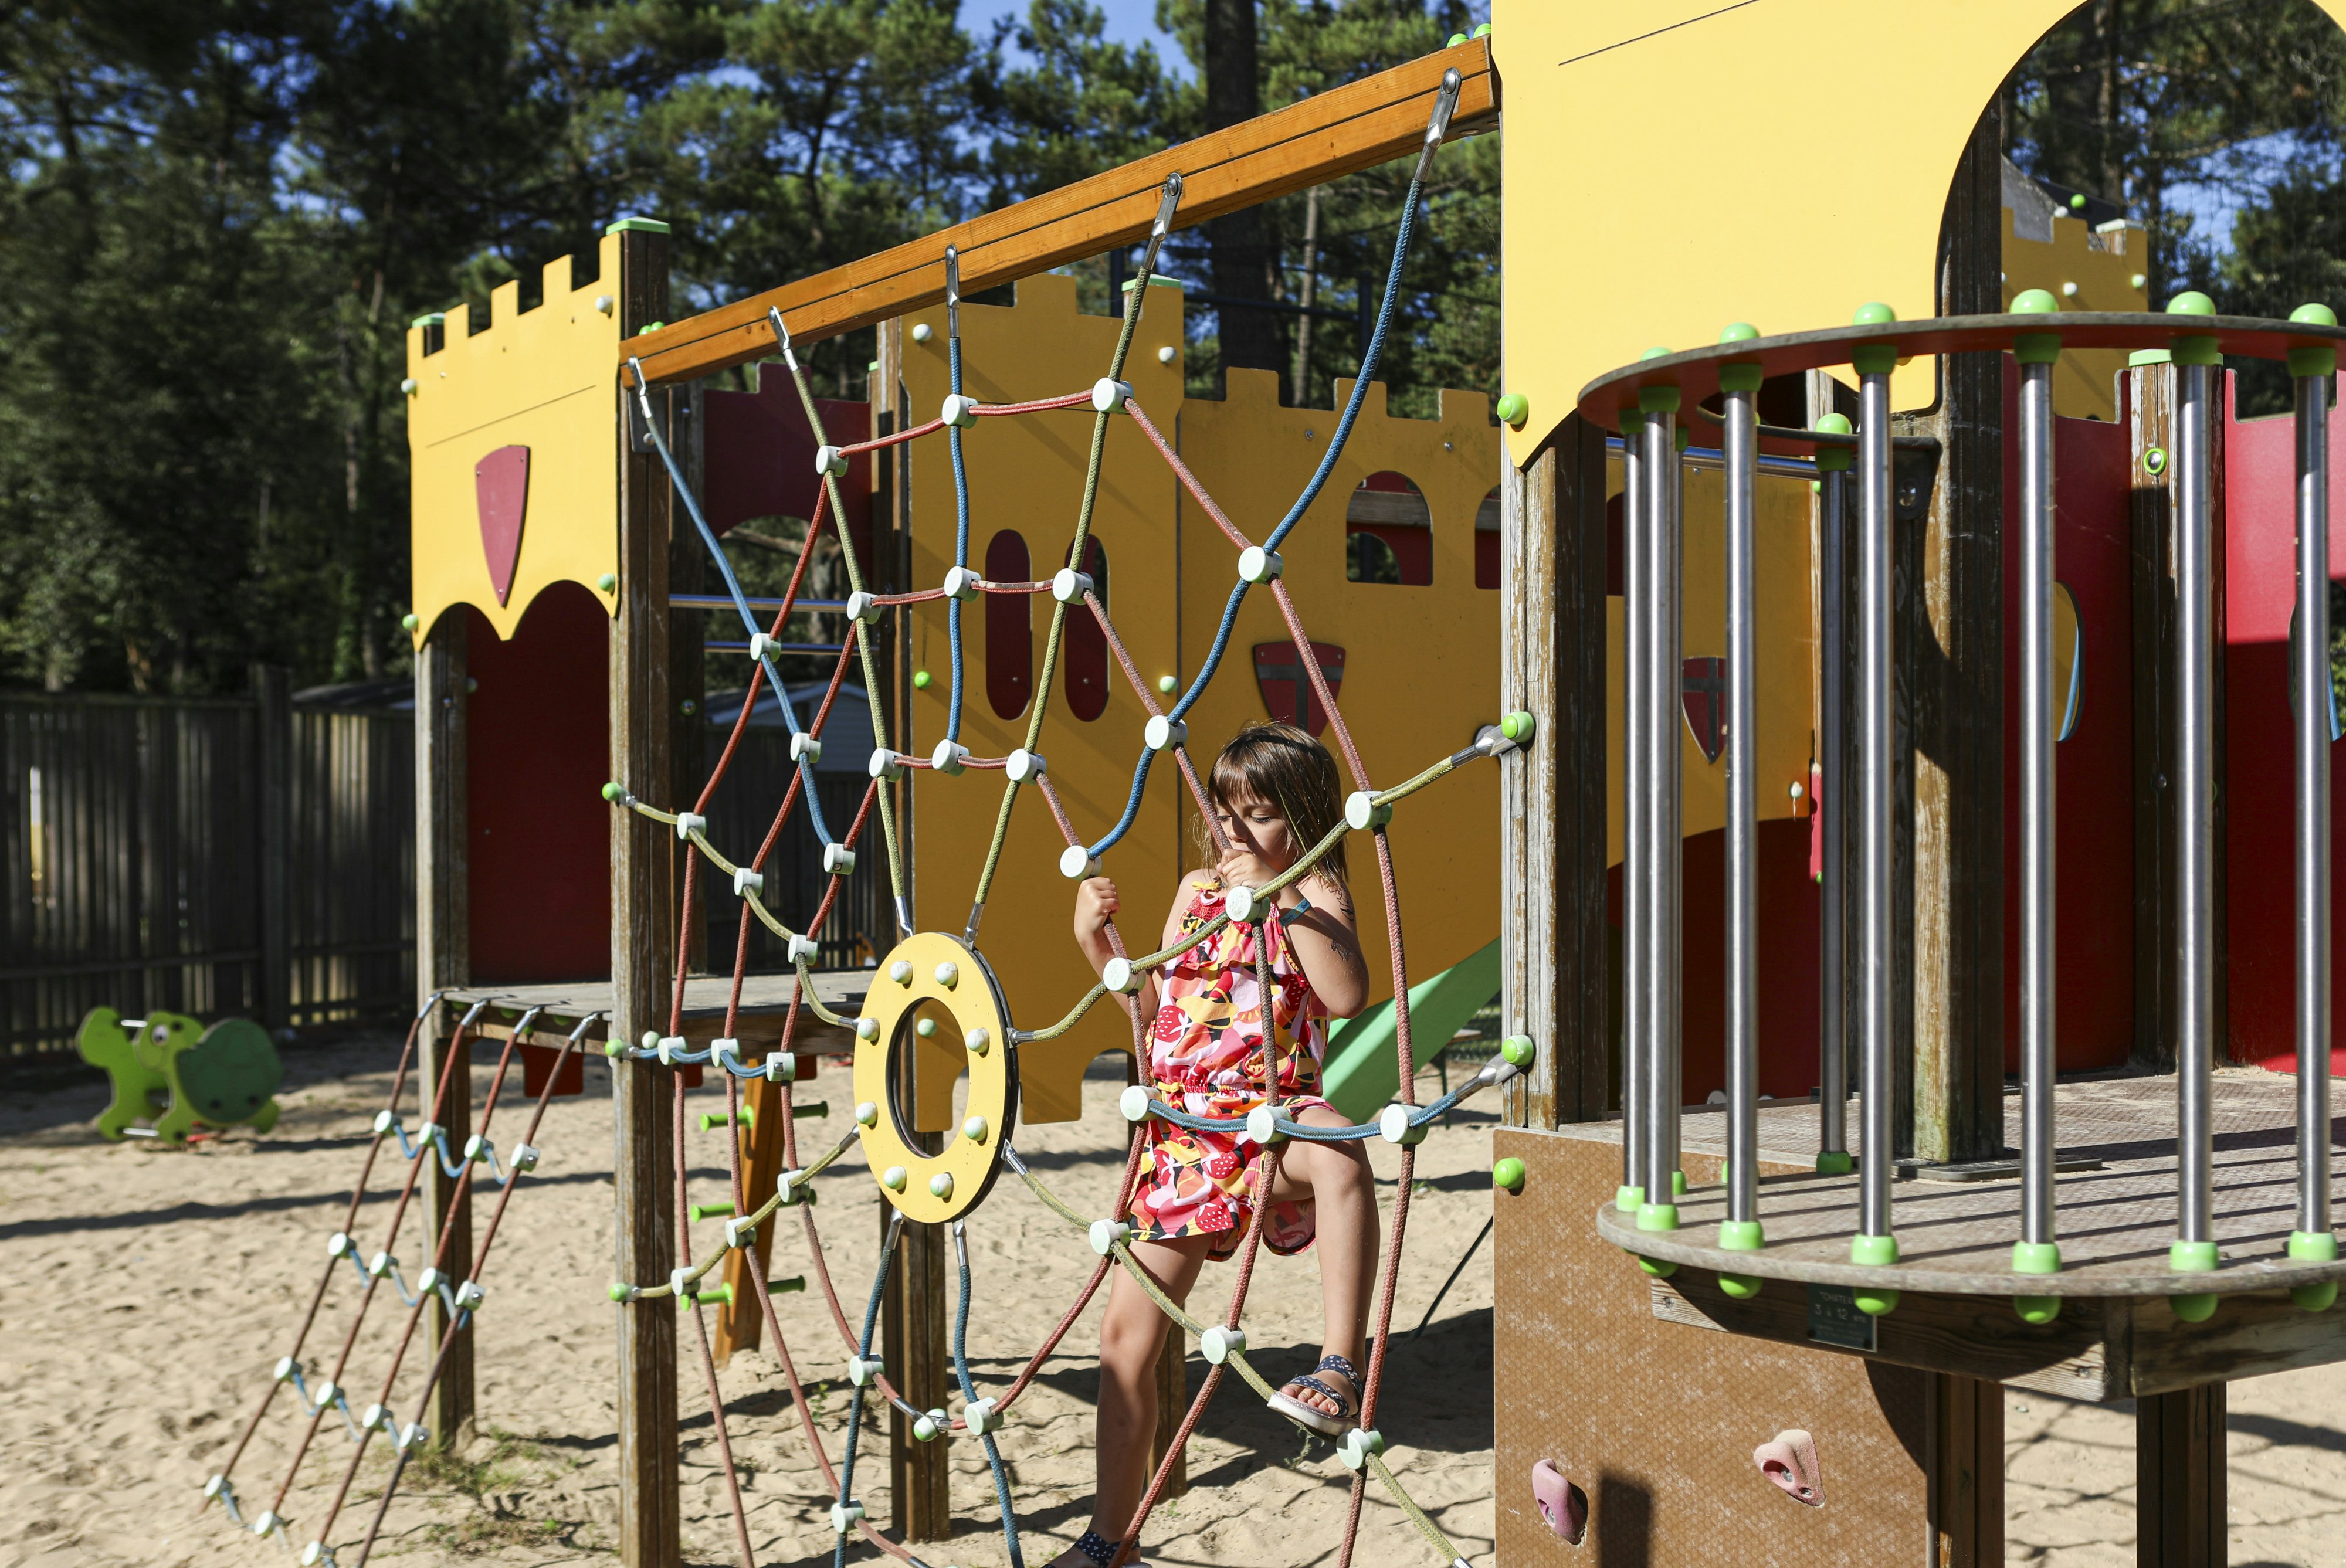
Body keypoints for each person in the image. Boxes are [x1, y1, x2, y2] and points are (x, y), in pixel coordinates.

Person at [1056, 721, 1377, 1568]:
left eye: (1259, 815)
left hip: (1271, 1127)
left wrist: (1280, 892)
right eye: (1226, 812)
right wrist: (1101, 948)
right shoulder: (1197, 887)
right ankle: (1109, 1539)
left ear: (1301, 822)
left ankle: (1340, 1365)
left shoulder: (1317, 891)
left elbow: (1347, 993)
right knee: (1124, 1345)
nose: (1234, 833)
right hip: (1188, 1138)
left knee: (1341, 1142)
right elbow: (1166, 1009)